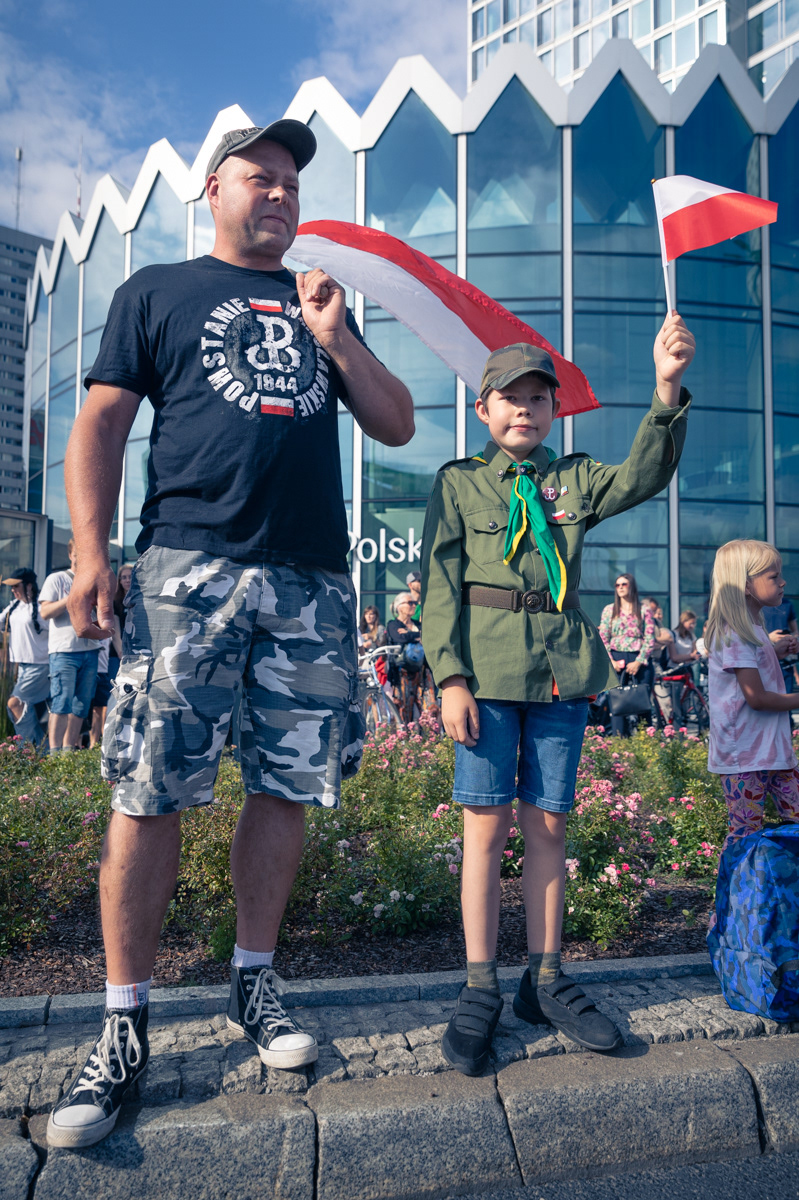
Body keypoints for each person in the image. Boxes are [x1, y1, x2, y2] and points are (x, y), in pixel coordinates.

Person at [47, 119, 413, 1150]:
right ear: (213, 189)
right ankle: (123, 1023)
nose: (282, 193)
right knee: (148, 789)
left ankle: (255, 982)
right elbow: (102, 424)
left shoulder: (319, 302)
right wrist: (89, 551)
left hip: (311, 581)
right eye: (262, 177)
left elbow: (395, 423)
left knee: (286, 786)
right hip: (186, 568)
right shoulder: (157, 291)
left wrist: (337, 339)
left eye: (292, 181)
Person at [421, 317, 694, 1075]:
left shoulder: (572, 480)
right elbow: (440, 587)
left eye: (538, 398)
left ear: (554, 410)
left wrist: (665, 387)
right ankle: (480, 985)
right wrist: (448, 678)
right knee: (484, 832)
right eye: (509, 397)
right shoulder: (458, 483)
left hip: (558, 675)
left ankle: (544, 980)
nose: (525, 409)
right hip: (483, 677)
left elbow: (643, 475)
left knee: (548, 828)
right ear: (483, 408)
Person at [704, 540, 799, 852]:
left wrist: (775, 650)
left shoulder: (750, 629)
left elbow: (750, 670)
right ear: (745, 585)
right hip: (745, 757)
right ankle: (737, 885)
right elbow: (756, 698)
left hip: (769, 750)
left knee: (769, 827)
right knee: (745, 835)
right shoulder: (734, 633)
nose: (783, 582)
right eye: (774, 576)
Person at [39, 541, 100, 754]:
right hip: (64, 651)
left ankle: (67, 755)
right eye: (77, 554)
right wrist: (71, 598)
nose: (81, 558)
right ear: (70, 555)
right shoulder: (56, 579)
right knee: (61, 702)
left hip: (91, 649)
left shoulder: (93, 580)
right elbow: (45, 612)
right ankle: (55, 754)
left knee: (82, 705)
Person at [598, 573, 657, 736]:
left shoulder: (644, 610)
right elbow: (603, 637)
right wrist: (611, 661)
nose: (620, 588)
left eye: (624, 584)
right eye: (617, 585)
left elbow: (650, 637)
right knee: (617, 706)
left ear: (632, 586)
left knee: (643, 705)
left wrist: (639, 661)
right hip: (616, 659)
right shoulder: (609, 610)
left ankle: (646, 743)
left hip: (640, 660)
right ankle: (619, 744)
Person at [0, 568, 49, 746]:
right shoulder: (14, 606)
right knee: (26, 708)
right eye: (11, 587)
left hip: (41, 665)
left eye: (16, 586)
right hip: (22, 667)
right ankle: (40, 749)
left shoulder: (42, 607)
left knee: (14, 703)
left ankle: (27, 749)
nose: (13, 590)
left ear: (29, 586)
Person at [666, 609, 700, 725]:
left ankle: (684, 720)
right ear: (683, 621)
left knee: (687, 697)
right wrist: (690, 656)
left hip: (687, 668)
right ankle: (676, 723)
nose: (692, 626)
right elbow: (674, 657)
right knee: (676, 699)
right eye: (691, 623)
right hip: (675, 670)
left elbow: (694, 652)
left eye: (694, 623)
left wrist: (692, 656)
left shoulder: (691, 636)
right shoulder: (673, 635)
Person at [761, 592, 799, 694]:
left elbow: (795, 632)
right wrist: (768, 638)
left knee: (787, 694)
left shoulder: (788, 604)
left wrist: (792, 639)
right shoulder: (757, 605)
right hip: (764, 658)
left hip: (785, 662)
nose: (782, 584)